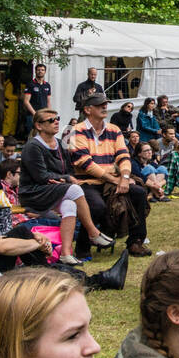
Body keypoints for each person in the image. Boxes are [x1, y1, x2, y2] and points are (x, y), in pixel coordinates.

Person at [20, 107, 113, 257]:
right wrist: (66, 180)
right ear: (38, 125)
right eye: (51, 120)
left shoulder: (59, 143)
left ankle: (65, 253)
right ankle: (93, 232)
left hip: (52, 189)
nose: (56, 122)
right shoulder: (32, 146)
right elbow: (41, 176)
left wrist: (64, 179)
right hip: (34, 193)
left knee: (69, 205)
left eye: (57, 118)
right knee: (74, 189)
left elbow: (67, 169)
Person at [70, 93, 152, 257]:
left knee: (139, 194)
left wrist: (125, 177)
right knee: (97, 207)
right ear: (87, 109)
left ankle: (135, 242)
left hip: (112, 180)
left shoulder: (114, 130)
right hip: (87, 182)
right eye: (100, 105)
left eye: (105, 104)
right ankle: (83, 248)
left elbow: (124, 156)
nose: (104, 107)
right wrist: (115, 179)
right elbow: (85, 163)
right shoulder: (76, 131)